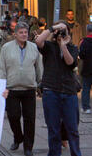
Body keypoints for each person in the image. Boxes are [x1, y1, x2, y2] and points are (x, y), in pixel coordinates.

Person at [0, 22, 43, 156]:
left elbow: (39, 66)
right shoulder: (6, 47)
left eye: (25, 32)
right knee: (13, 116)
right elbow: (1, 67)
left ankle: (28, 147)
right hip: (12, 88)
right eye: (21, 32)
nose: (24, 35)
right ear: (15, 34)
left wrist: (41, 82)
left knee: (30, 119)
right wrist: (0, 85)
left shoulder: (33, 47)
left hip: (29, 88)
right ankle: (18, 137)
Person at [35, 21, 81, 156]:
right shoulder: (48, 46)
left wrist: (63, 45)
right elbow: (39, 41)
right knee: (53, 129)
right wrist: (53, 28)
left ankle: (76, 153)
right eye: (59, 30)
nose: (61, 33)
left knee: (72, 129)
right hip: (51, 91)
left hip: (69, 92)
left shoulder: (73, 47)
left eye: (64, 30)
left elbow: (70, 63)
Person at [79, 24, 92, 113]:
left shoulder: (84, 41)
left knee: (86, 88)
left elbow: (81, 55)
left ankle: (86, 107)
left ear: (87, 31)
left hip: (87, 68)